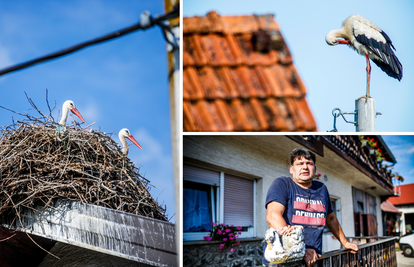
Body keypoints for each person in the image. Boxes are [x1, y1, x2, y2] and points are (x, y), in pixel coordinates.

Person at [263, 148, 358, 266]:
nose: (305, 167)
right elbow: (273, 216)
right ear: (291, 169)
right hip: (283, 260)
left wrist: (345, 243)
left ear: (315, 169)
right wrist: (301, 249)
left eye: (309, 163)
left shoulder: (321, 189)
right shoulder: (282, 184)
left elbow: (331, 218)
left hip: (312, 259)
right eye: (300, 164)